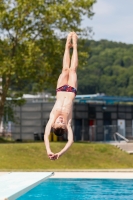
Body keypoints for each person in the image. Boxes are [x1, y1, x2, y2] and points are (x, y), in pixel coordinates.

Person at [44, 32, 78, 160]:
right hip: (71, 91)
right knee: (72, 69)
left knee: (65, 69)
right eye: (62, 123)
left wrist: (49, 150)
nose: (61, 120)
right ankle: (74, 45)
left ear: (53, 125)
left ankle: (66, 46)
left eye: (59, 122)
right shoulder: (68, 124)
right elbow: (70, 141)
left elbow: (46, 136)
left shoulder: (51, 119)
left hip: (60, 90)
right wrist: (60, 153)